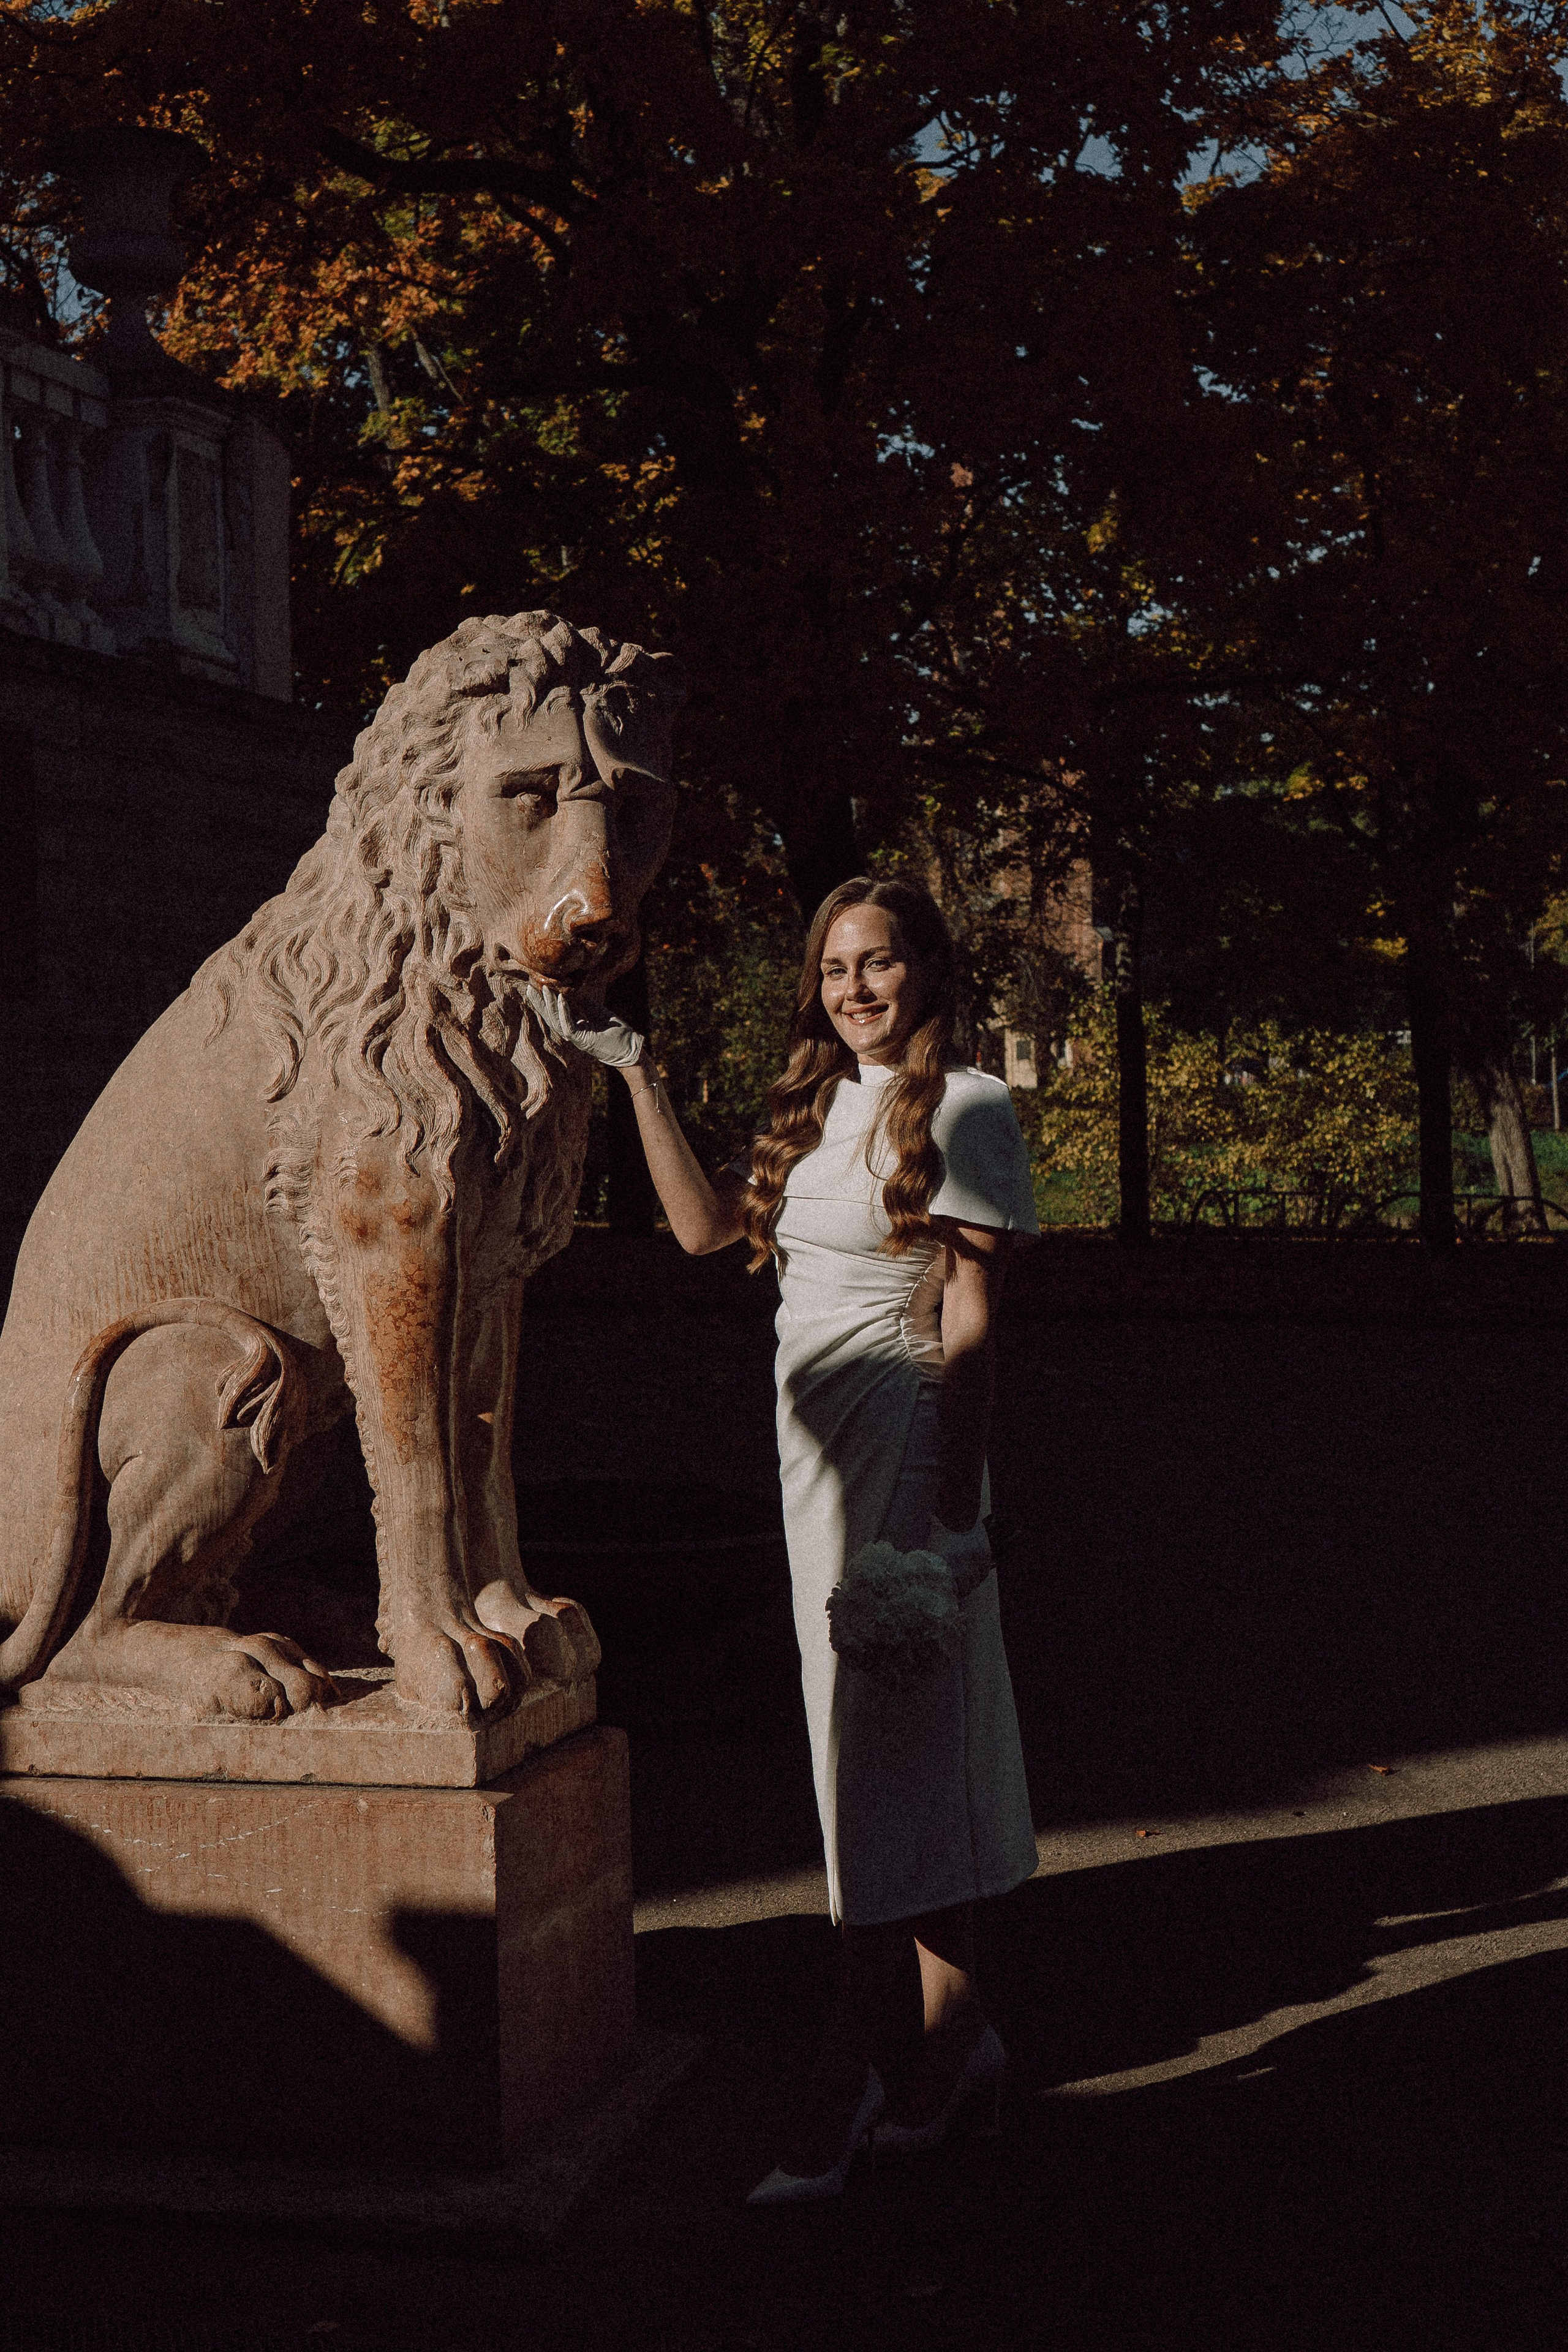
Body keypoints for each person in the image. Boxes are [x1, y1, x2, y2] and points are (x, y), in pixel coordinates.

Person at [531, 875, 1039, 2201]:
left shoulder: (969, 1105)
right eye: (831, 969)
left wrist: (952, 1512)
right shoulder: (813, 1106)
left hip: (906, 1456)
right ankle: (955, 2042)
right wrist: (636, 1074)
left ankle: (847, 2072)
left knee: (877, 1753)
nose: (854, 989)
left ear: (926, 970)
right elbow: (705, 1232)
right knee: (881, 1755)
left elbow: (972, 1320)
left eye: (877, 964)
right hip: (809, 1462)